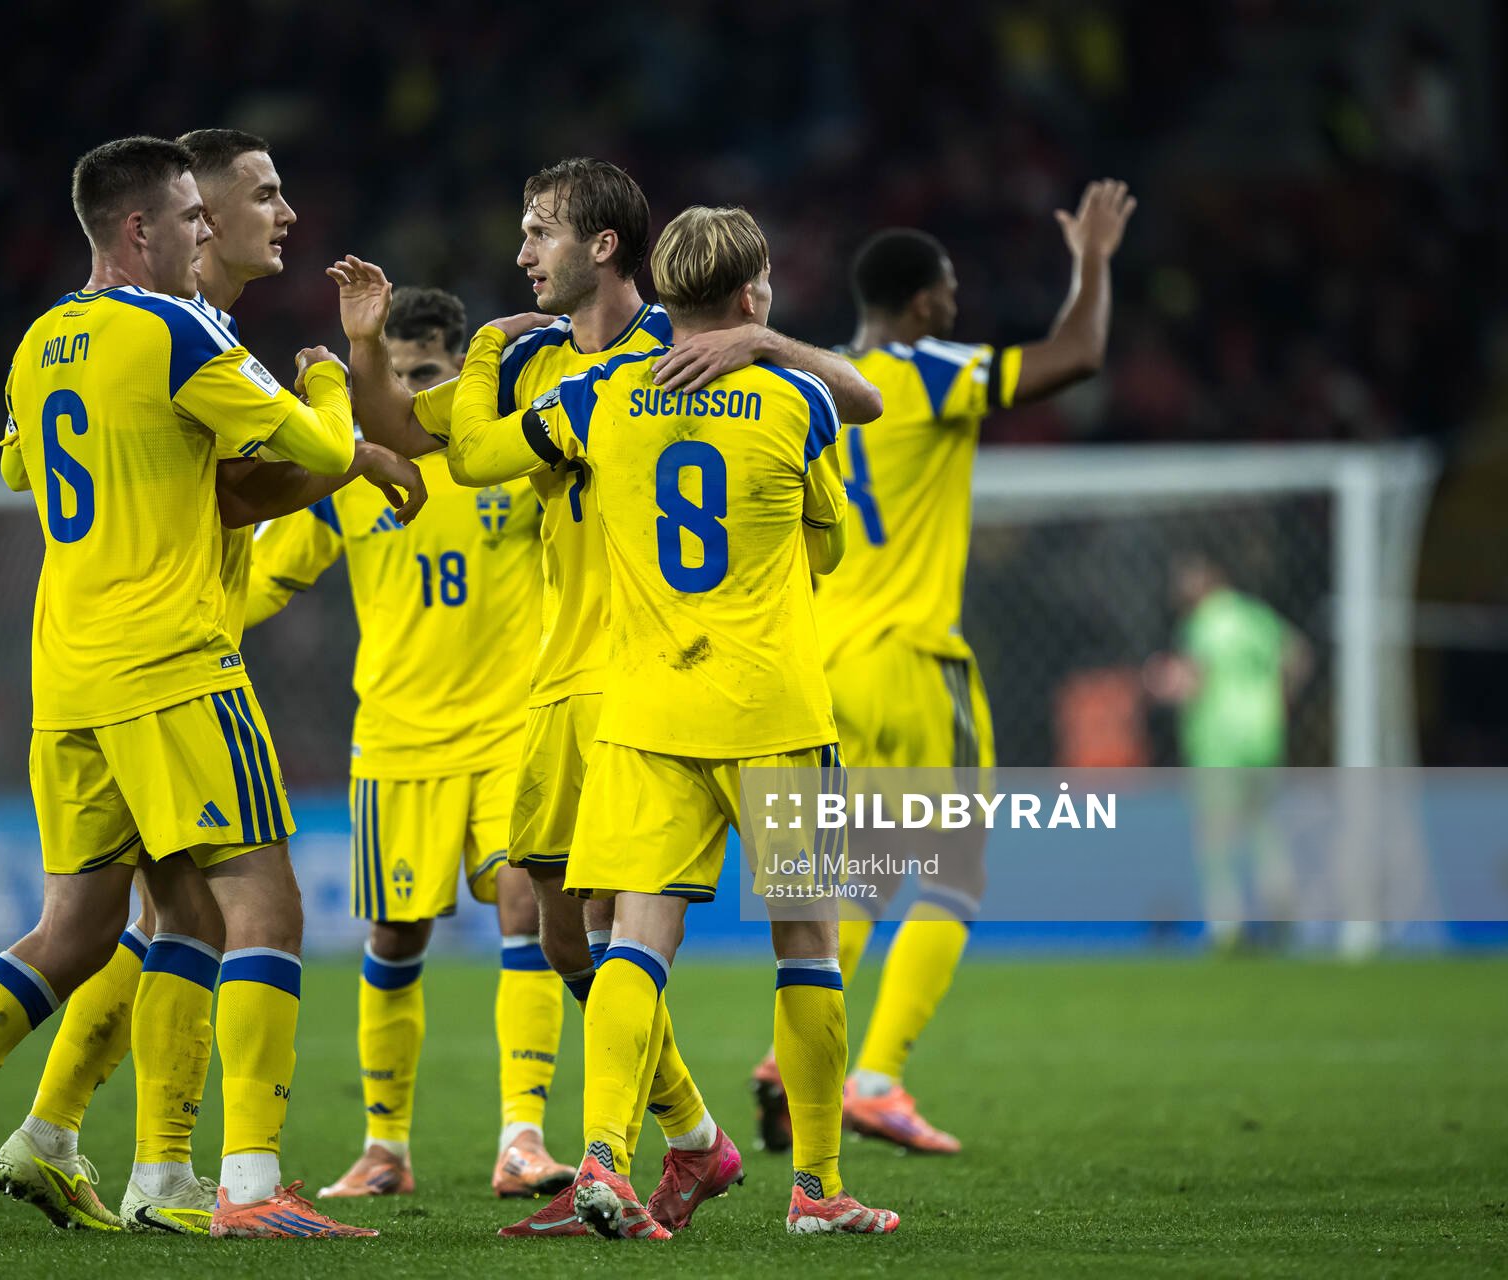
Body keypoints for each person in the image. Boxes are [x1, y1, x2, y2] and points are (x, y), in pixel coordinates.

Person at [0, 134, 375, 1240]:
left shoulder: (40, 342)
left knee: (91, 925)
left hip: (69, 672)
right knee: (264, 902)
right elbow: (322, 446)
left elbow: (23, 466)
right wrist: (331, 376)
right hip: (170, 660)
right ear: (140, 228)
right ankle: (250, 1186)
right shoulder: (177, 329)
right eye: (192, 215)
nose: (205, 230)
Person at [327, 157, 880, 1236]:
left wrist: (488, 359)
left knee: (627, 936)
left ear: (621, 254)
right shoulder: (766, 391)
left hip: (639, 696)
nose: (524, 251)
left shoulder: (609, 386)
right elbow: (845, 464)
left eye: (540, 230)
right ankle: (753, 1162)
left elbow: (472, 451)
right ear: (753, 290)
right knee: (633, 943)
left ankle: (608, 1153)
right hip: (696, 696)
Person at [0, 127, 425, 1236]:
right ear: (192, 221)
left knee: (156, 917)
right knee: (230, 908)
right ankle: (237, 1174)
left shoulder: (106, 336)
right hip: (191, 667)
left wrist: (355, 399)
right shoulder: (189, 338)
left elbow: (46, 468)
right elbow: (272, 483)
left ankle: (73, 1142)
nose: (285, 214)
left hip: (102, 664)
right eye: (255, 197)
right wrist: (351, 422)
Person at [750, 179, 1137, 1157]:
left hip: (824, 665)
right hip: (916, 661)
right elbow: (1077, 355)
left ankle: (788, 1057)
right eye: (951, 290)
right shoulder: (928, 371)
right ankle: (876, 1078)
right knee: (956, 873)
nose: (958, 303)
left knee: (867, 873)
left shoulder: (815, 389)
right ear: (923, 301)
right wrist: (1092, 260)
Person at [241, 286, 577, 1199]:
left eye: (426, 376)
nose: (410, 396)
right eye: (393, 378)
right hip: (396, 741)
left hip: (513, 729)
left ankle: (523, 1137)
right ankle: (384, 1147)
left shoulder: (505, 456)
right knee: (394, 935)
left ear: (461, 370)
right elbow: (265, 579)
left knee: (528, 912)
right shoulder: (349, 473)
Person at [1145, 553, 1310, 950]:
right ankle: (1280, 910)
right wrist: (1280, 699)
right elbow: (1297, 656)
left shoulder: (1203, 625)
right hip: (1263, 736)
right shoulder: (1254, 616)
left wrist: (1160, 685)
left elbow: (1192, 681)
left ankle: (1227, 925)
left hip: (1217, 742)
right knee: (1264, 828)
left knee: (1215, 837)